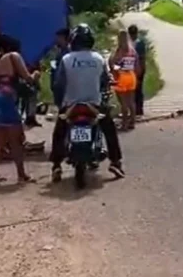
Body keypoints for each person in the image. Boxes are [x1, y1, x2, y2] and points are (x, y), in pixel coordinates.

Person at [50, 24, 125, 181]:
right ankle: (115, 162)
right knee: (109, 130)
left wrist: (60, 101)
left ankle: (56, 166)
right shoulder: (98, 59)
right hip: (94, 105)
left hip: (70, 105)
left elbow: (58, 84)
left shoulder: (66, 59)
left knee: (59, 132)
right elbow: (105, 80)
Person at [0, 35, 36, 183]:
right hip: (5, 100)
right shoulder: (14, 56)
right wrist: (36, 75)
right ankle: (21, 175)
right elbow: (28, 78)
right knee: (16, 140)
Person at [109, 29, 141, 131]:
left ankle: (124, 124)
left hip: (121, 76)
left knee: (123, 103)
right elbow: (137, 66)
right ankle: (132, 122)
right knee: (131, 102)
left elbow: (114, 64)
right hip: (131, 76)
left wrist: (113, 70)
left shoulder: (119, 51)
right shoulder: (132, 51)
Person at [128, 24, 148, 116]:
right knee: (132, 90)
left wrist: (142, 68)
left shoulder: (138, 43)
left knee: (138, 90)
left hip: (138, 68)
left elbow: (142, 58)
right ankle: (134, 109)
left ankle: (139, 110)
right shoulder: (133, 43)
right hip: (131, 69)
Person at [51, 28, 71, 107]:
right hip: (59, 88)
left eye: (58, 37)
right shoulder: (60, 51)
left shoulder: (68, 52)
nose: (56, 40)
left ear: (63, 37)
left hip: (65, 89)